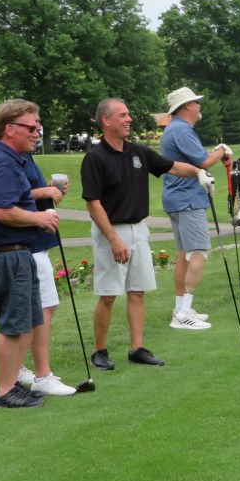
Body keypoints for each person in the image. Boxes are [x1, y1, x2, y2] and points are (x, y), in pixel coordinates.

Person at [81, 98, 210, 369]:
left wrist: (198, 173)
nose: (128, 119)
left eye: (128, 114)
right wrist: (113, 239)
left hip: (138, 229)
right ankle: (99, 350)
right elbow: (93, 204)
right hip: (110, 231)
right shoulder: (95, 158)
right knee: (108, 294)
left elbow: (172, 166)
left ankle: (137, 348)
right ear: (106, 120)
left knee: (137, 291)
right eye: (122, 115)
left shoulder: (138, 152)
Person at [0, 99, 60, 408]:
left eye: (38, 127)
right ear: (9, 129)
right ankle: (5, 391)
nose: (37, 132)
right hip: (5, 254)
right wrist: (39, 218)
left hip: (17, 252)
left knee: (27, 321)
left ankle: (14, 385)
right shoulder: (0, 161)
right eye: (31, 127)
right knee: (13, 325)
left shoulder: (3, 157)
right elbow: (0, 210)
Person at [160, 86, 232, 331]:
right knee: (199, 253)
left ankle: (181, 308)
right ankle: (182, 314)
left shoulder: (175, 128)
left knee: (185, 255)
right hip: (188, 200)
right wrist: (222, 149)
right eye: (196, 102)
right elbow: (204, 161)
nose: (199, 106)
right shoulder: (182, 129)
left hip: (178, 199)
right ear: (187, 106)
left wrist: (217, 151)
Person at [15, 156, 77, 396]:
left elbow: (24, 192)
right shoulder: (10, 157)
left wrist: (50, 188)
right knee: (43, 307)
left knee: (42, 307)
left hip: (37, 241)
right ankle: (42, 376)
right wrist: (44, 191)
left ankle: (18, 368)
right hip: (29, 243)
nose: (36, 136)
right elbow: (7, 198)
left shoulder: (24, 155)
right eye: (32, 135)